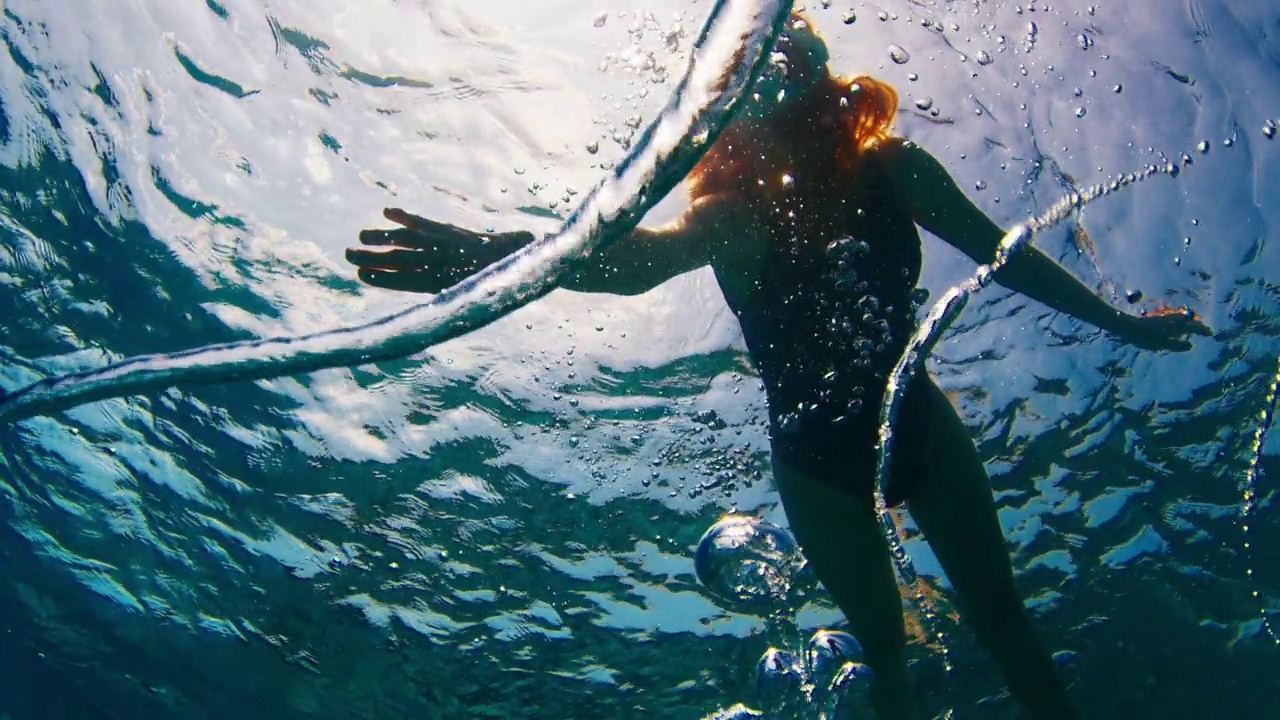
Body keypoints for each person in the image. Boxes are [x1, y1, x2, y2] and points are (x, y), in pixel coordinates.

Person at [345, 14, 1210, 720]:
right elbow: (630, 262)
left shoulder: (893, 166)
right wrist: (497, 258)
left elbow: (1000, 252)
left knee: (1005, 622)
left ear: (819, 65)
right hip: (814, 466)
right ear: (728, 103)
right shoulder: (731, 214)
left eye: (792, 48)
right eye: (758, 65)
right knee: (889, 664)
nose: (780, 68)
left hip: (922, 422)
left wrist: (1118, 324)